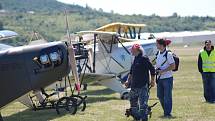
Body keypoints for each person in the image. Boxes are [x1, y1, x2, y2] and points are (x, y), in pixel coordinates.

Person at [124, 43, 156, 121]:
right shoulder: (135, 58)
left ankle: (144, 118)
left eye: (132, 50)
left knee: (143, 105)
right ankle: (138, 118)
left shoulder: (144, 58)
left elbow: (152, 70)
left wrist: (152, 81)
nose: (131, 52)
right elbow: (131, 71)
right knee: (133, 105)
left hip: (143, 86)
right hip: (134, 86)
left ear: (137, 50)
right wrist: (128, 80)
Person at [155, 38, 175, 117]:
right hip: (160, 78)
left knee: (167, 96)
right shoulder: (158, 53)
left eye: (157, 44)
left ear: (161, 45)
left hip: (168, 78)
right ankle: (166, 111)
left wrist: (163, 71)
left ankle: (167, 113)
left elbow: (173, 66)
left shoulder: (168, 54)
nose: (156, 45)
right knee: (159, 95)